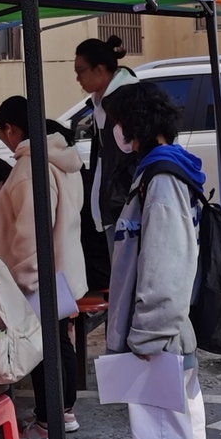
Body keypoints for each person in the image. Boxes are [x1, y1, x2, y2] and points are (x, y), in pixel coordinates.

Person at [100, 82, 209, 439]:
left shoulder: (161, 179)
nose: (114, 131)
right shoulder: (168, 171)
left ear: (135, 124)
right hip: (167, 331)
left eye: (117, 122)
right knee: (180, 429)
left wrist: (147, 334)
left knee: (160, 435)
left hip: (158, 334)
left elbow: (165, 263)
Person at [0, 95, 87, 439]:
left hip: (39, 276)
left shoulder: (30, 168)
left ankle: (48, 423)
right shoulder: (61, 159)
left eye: (0, 132)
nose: (3, 139)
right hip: (64, 269)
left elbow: (30, 233)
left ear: (10, 129)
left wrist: (26, 279)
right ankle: (63, 413)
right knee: (59, 342)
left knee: (44, 348)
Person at [75, 35, 138, 292]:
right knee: (121, 281)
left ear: (99, 69)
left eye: (80, 70)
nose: (77, 78)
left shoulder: (127, 101)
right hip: (113, 208)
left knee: (130, 282)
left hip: (127, 208)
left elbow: (132, 157)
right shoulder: (102, 103)